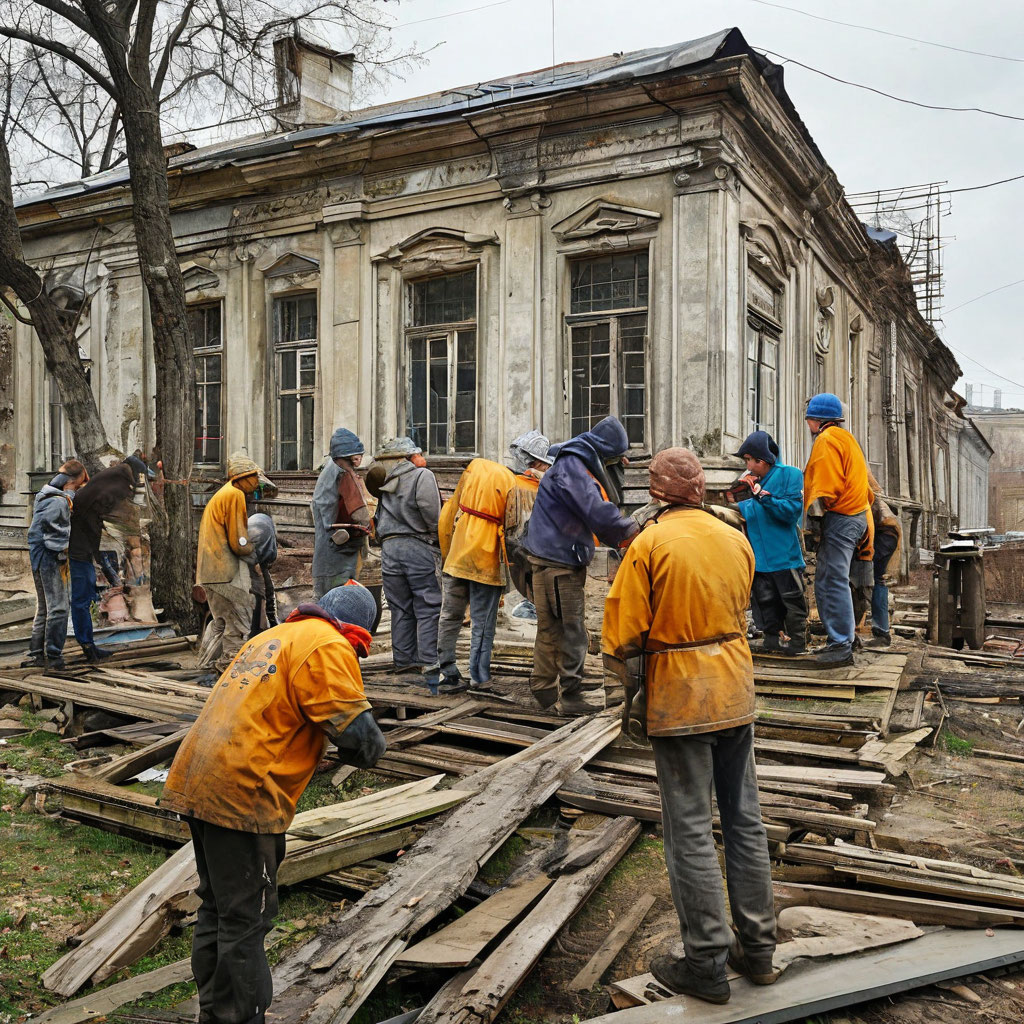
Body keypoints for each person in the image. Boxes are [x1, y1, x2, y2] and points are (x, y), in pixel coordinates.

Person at [160, 582, 385, 1024]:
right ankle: (238, 1019)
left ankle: (214, 1013)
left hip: (199, 775)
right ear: (358, 632)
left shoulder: (270, 638)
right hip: (244, 791)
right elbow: (362, 739)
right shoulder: (329, 645)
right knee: (246, 917)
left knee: (218, 907)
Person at [602, 447, 777, 1004]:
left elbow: (623, 631)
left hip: (679, 694)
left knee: (691, 828)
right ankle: (759, 950)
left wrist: (624, 690)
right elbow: (742, 601)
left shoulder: (649, 544)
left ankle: (704, 961)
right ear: (701, 487)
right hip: (734, 685)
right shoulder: (733, 536)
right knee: (745, 820)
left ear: (655, 491)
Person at [524, 416, 638, 714]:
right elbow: (596, 511)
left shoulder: (568, 463)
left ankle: (544, 690)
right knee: (572, 630)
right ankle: (571, 696)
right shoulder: (573, 467)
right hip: (560, 565)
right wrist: (629, 531)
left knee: (550, 630)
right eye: (615, 457)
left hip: (547, 559)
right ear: (603, 451)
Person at [803, 393, 874, 666]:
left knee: (833, 580)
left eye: (808, 418)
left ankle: (841, 645)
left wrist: (815, 511)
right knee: (829, 580)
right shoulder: (847, 438)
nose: (808, 424)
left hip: (842, 516)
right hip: (857, 515)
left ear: (815, 420)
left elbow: (827, 484)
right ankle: (842, 639)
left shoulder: (827, 439)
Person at [436, 458, 516, 693]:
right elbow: (514, 524)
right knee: (483, 622)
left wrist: (446, 554)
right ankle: (479, 677)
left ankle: (447, 673)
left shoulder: (472, 470)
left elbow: (447, 516)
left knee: (449, 616)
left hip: (457, 555)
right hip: (486, 560)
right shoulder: (511, 481)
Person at [371, 437, 443, 693]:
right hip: (417, 546)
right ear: (410, 457)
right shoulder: (421, 475)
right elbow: (432, 513)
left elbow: (378, 519)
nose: (423, 457)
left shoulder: (384, 480)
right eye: (419, 453)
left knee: (400, 607)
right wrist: (439, 538)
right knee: (428, 604)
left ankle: (403, 662)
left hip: (390, 549)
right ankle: (429, 663)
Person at [727, 430, 807, 656]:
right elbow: (741, 512)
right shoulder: (748, 480)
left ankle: (798, 642)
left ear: (761, 460)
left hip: (784, 556)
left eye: (749, 460)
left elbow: (792, 512)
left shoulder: (790, 475)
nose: (747, 466)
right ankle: (771, 640)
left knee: (792, 600)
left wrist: (763, 496)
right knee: (764, 601)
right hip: (758, 557)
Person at [195, 453, 269, 684]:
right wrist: (252, 552)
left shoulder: (223, 493)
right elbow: (239, 542)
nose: (257, 485)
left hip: (211, 572)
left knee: (220, 623)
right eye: (256, 479)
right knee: (237, 626)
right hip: (225, 573)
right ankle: (233, 680)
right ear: (246, 477)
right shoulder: (235, 494)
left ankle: (207, 671)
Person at [67, 456, 149, 662]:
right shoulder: (110, 487)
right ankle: (80, 646)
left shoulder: (103, 486)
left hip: (85, 551)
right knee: (80, 601)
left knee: (83, 600)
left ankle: (88, 645)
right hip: (79, 552)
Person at [25, 460, 89, 670]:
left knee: (44, 608)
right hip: (50, 556)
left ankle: (36, 655)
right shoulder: (57, 502)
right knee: (59, 608)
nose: (78, 490)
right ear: (69, 482)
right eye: (78, 485)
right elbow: (56, 534)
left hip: (39, 555)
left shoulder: (45, 495)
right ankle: (53, 657)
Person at [311, 428, 370, 600]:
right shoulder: (344, 473)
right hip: (340, 554)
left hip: (325, 551)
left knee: (326, 603)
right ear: (350, 455)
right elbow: (360, 514)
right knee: (344, 604)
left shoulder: (328, 471)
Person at [504, 429, 555, 621]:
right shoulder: (519, 483)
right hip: (522, 542)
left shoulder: (548, 482)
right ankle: (531, 602)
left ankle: (536, 603)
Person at [856, 472, 902, 647]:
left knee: (870, 579)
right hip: (885, 533)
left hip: (884, 535)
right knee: (873, 580)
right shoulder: (860, 485)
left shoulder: (859, 489)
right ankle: (880, 631)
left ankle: (881, 632)